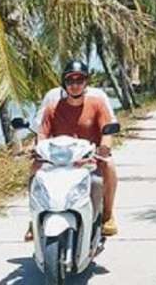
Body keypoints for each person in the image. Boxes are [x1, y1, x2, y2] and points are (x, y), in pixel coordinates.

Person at [27, 60, 120, 240]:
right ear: (64, 84)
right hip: (60, 160)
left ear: (86, 83)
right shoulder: (52, 108)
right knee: (34, 170)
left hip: (89, 159)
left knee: (110, 167)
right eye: (71, 81)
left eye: (80, 80)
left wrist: (104, 148)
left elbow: (107, 131)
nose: (75, 85)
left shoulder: (97, 104)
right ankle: (34, 218)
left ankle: (108, 215)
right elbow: (42, 135)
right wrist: (37, 150)